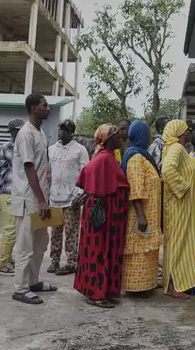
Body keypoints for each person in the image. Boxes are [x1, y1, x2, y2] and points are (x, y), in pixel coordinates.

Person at [73, 124, 129, 308]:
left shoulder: (108, 157)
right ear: (107, 140)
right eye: (117, 137)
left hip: (106, 212)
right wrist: (93, 195)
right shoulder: (103, 159)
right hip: (101, 213)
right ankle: (95, 294)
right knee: (99, 251)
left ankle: (104, 290)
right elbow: (90, 176)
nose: (121, 139)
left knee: (105, 250)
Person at [10, 94, 57, 305]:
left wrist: (45, 198)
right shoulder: (25, 134)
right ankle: (20, 289)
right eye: (44, 105)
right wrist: (41, 200)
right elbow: (29, 167)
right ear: (33, 108)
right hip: (29, 198)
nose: (49, 108)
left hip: (40, 198)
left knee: (40, 243)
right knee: (25, 244)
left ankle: (33, 281)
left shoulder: (40, 132)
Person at [120, 120, 162, 297]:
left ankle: (148, 284)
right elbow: (136, 189)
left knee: (147, 250)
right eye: (148, 133)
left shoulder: (143, 155)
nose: (150, 136)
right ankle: (138, 287)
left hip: (149, 212)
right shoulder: (136, 158)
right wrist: (141, 216)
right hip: (141, 214)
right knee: (139, 250)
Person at [161, 120, 195, 300]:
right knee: (177, 245)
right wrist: (183, 188)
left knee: (179, 244)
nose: (189, 133)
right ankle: (172, 285)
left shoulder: (177, 149)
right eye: (187, 130)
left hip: (181, 205)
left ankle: (178, 282)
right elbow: (168, 170)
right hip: (179, 204)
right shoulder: (176, 148)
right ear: (180, 132)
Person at [47, 119, 89, 276]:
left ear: (72, 132)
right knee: (55, 232)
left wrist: (79, 194)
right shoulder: (51, 149)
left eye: (66, 130)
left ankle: (71, 262)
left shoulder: (80, 150)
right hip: (54, 198)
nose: (62, 132)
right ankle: (54, 261)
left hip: (72, 199)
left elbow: (85, 173)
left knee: (71, 231)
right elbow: (47, 172)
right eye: (61, 129)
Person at [0, 119, 25, 276]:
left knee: (14, 229)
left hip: (14, 193)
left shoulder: (20, 145)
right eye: (17, 130)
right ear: (11, 131)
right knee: (10, 230)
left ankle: (7, 258)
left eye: (22, 130)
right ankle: (2, 263)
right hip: (7, 192)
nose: (20, 133)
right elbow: (22, 162)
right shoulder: (9, 146)